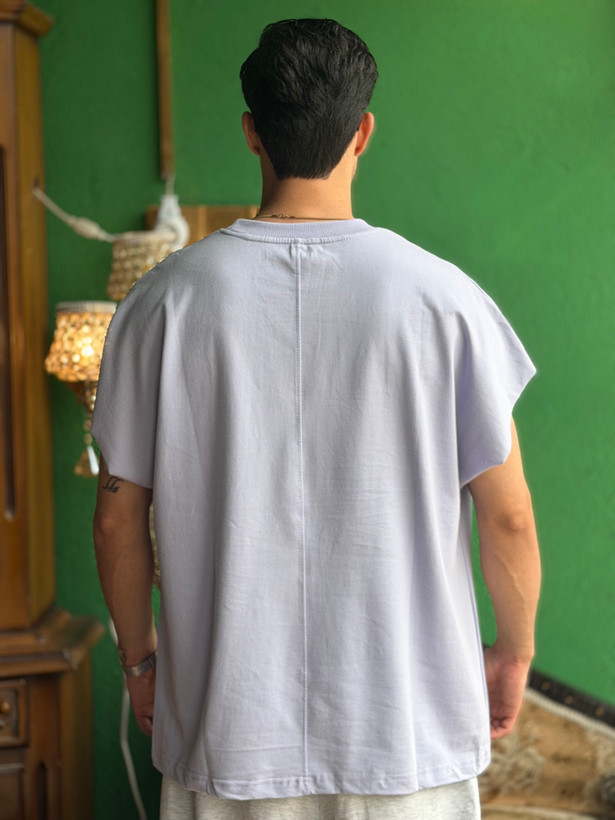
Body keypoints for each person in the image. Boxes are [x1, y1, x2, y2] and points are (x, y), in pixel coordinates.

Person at [92, 18, 541, 820]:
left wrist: (138, 662)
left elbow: (115, 517)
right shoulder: (445, 302)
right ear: (362, 131)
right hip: (405, 737)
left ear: (251, 132)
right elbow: (507, 518)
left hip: (226, 732)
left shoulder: (160, 304)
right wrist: (512, 654)